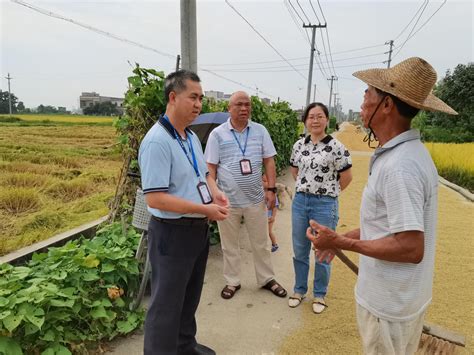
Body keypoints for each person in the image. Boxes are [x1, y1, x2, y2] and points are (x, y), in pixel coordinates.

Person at [307, 57, 457, 354]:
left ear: (386, 105)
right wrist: (343, 239)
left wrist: (338, 241)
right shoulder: (402, 155)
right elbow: (388, 226)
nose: (362, 102)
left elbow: (410, 247)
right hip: (394, 299)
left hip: (390, 307)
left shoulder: (401, 166)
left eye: (367, 95)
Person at [138, 70, 229, 355]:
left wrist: (215, 191)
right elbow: (155, 199)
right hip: (172, 234)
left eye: (201, 98)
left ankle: (184, 347)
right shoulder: (157, 141)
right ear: (173, 97)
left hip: (196, 229)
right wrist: (204, 208)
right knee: (166, 305)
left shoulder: (189, 136)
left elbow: (203, 173)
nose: (199, 104)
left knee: (188, 298)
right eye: (193, 97)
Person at [204, 91, 287, 300]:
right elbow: (210, 168)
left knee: (261, 242)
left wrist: (270, 190)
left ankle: (267, 278)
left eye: (247, 105)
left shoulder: (260, 131)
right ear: (229, 109)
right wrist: (214, 195)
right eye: (239, 105)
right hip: (227, 201)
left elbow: (269, 161)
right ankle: (232, 281)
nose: (244, 109)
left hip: (256, 199)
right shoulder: (217, 134)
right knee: (229, 244)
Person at [289, 102, 353, 314]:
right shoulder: (299, 145)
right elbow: (294, 169)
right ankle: (299, 290)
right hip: (300, 202)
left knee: (323, 251)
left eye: (319, 116)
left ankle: (319, 294)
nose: (314, 120)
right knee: (300, 250)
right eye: (310, 117)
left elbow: (346, 178)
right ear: (305, 120)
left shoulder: (337, 147)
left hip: (325, 204)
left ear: (327, 119)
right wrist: (305, 188)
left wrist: (328, 194)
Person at [262, 174, 279, 252]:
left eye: (266, 181)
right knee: (262, 231)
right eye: (262, 181)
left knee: (268, 232)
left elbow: (275, 207)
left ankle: (274, 244)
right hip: (262, 216)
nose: (264, 183)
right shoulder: (261, 192)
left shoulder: (273, 195)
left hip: (269, 216)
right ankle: (262, 245)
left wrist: (273, 216)